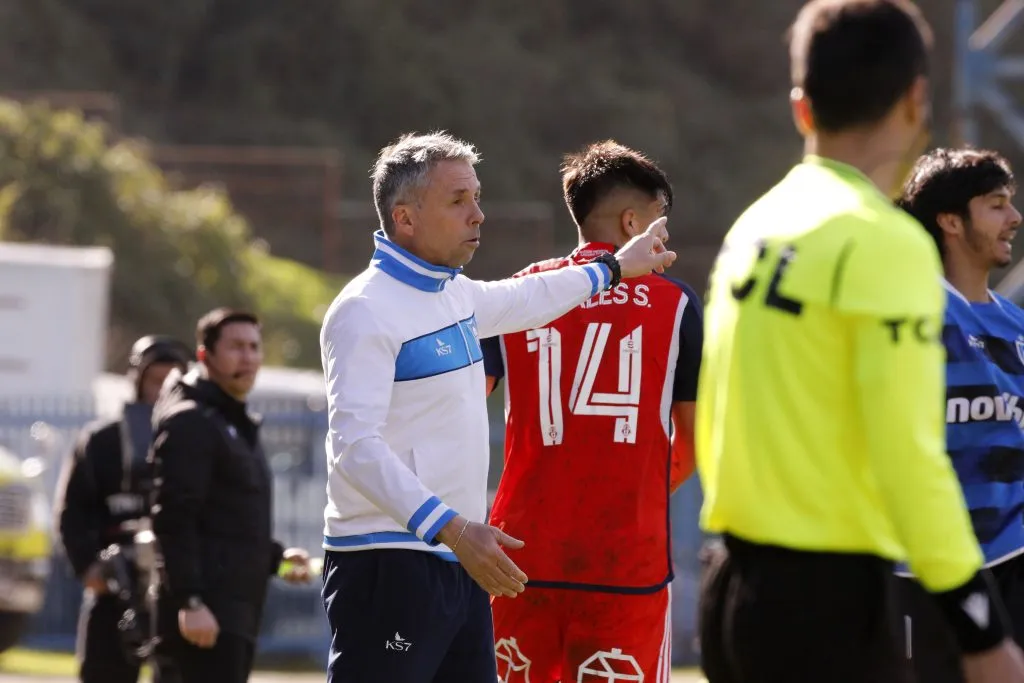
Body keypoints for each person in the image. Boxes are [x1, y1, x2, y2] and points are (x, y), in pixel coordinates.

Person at [694, 1, 1024, 682]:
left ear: (800, 107)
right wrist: (982, 631)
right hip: (827, 598)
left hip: (733, 582)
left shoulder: (757, 225)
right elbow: (907, 452)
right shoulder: (882, 241)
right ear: (914, 99)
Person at [318, 130, 676, 683]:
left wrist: (614, 267)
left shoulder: (455, 296)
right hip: (388, 560)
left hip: (459, 557)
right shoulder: (365, 309)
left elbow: (530, 299)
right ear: (406, 218)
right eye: (459, 200)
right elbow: (353, 449)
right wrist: (454, 529)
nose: (478, 215)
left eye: (477, 197)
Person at [480, 140, 703, 683]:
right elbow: (694, 444)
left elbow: (459, 419)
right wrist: (628, 488)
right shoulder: (676, 305)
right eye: (660, 223)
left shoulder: (517, 293)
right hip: (626, 562)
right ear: (633, 223)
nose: (666, 237)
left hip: (516, 558)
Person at [893, 148, 1024, 683]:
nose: (1014, 218)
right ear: (950, 220)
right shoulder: (909, 314)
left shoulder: (1017, 325)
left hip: (1015, 563)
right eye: (996, 205)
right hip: (925, 574)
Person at [149, 308, 312, 683]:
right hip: (201, 617)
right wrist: (189, 601)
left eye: (255, 347)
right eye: (236, 347)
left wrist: (276, 556)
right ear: (205, 355)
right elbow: (173, 518)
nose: (249, 357)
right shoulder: (191, 421)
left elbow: (228, 520)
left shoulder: (231, 423)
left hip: (233, 614)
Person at [54, 335, 190, 683]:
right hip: (115, 584)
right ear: (137, 380)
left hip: (177, 587)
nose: (161, 391)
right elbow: (71, 511)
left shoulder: (198, 440)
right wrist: (88, 566)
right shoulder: (101, 441)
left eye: (171, 381)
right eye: (154, 380)